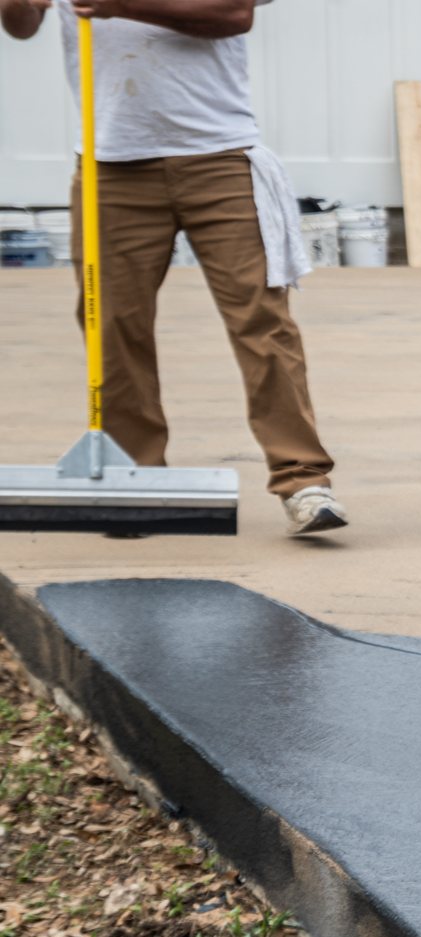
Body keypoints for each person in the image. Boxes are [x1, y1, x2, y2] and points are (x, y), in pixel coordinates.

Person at [0, 0, 348, 537]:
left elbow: (233, 15)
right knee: (112, 325)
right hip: (111, 164)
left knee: (260, 320)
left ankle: (302, 479)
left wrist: (119, 6)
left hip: (219, 156)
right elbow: (20, 27)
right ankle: (136, 482)